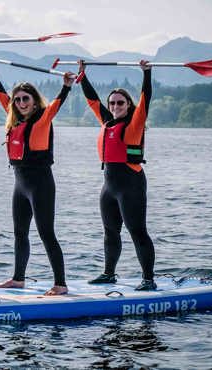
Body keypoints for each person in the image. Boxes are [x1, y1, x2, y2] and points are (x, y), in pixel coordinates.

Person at [0, 55, 74, 295]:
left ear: (35, 102)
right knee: (19, 233)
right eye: (18, 100)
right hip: (20, 185)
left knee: (46, 233)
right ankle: (18, 278)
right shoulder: (13, 118)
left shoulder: (43, 119)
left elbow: (57, 103)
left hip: (41, 184)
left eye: (26, 99)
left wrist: (66, 85)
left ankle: (61, 284)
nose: (21, 102)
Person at [78, 59, 157, 291]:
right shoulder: (107, 121)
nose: (114, 106)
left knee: (137, 231)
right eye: (112, 103)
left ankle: (148, 279)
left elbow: (146, 99)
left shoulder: (134, 124)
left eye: (120, 103)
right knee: (110, 232)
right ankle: (109, 274)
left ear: (128, 104)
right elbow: (92, 100)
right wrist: (82, 74)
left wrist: (147, 73)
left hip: (130, 185)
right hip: (109, 186)